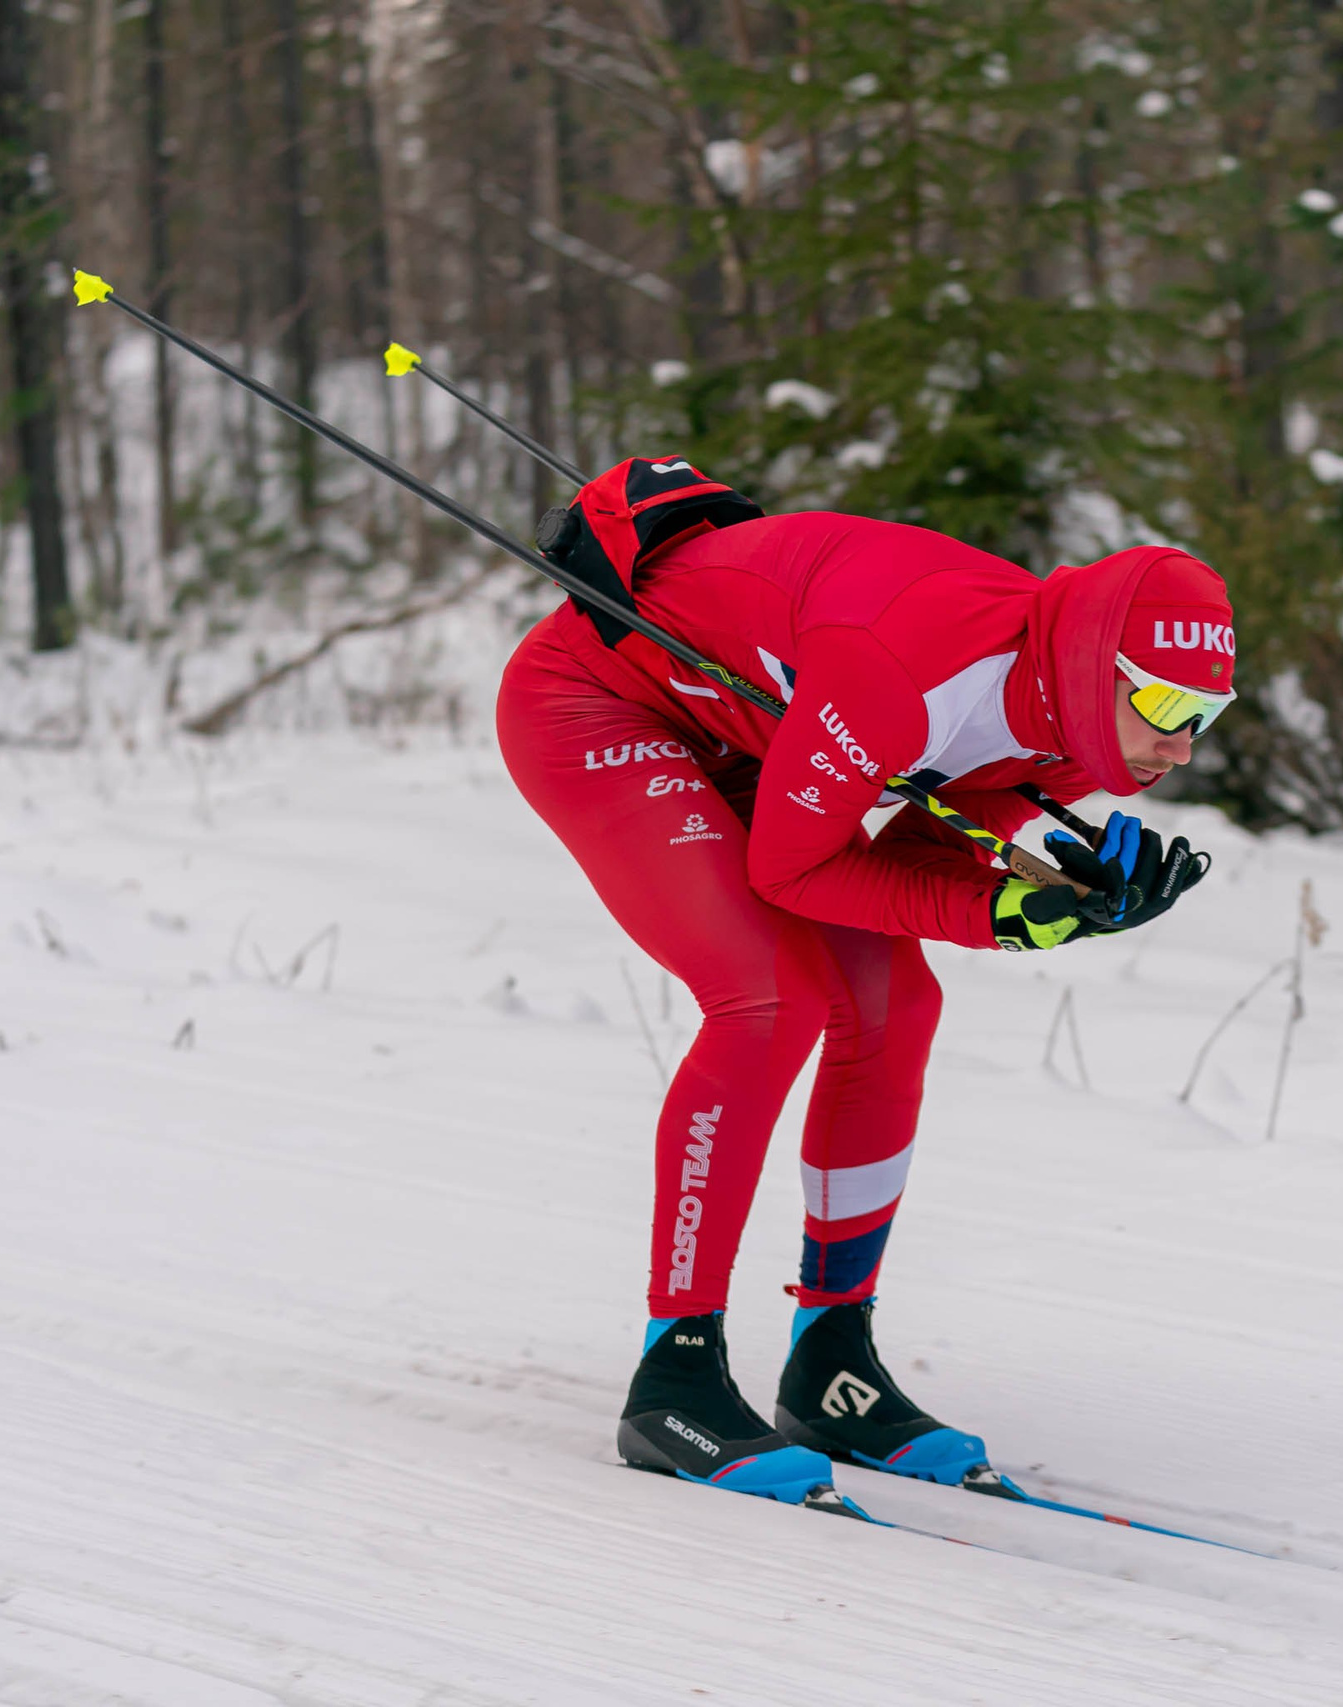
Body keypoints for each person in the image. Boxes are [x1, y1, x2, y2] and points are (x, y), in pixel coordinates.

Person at [496, 496, 1238, 1507]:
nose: (1183, 746)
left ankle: (831, 1362)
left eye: (1205, 716)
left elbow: (950, 809)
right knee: (767, 999)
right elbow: (793, 871)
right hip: (602, 704)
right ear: (1095, 666)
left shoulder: (1066, 704)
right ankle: (673, 1372)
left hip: (755, 732)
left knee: (893, 1011)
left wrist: (1057, 883)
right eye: (1163, 710)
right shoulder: (909, 669)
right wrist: (1008, 913)